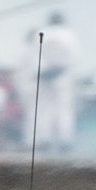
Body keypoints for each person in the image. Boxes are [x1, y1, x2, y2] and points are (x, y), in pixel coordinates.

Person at [35, 11, 81, 152]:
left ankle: (44, 139)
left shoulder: (42, 33)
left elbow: (35, 55)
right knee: (63, 109)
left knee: (45, 109)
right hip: (62, 76)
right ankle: (64, 140)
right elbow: (73, 57)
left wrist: (44, 72)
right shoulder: (69, 34)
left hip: (45, 76)